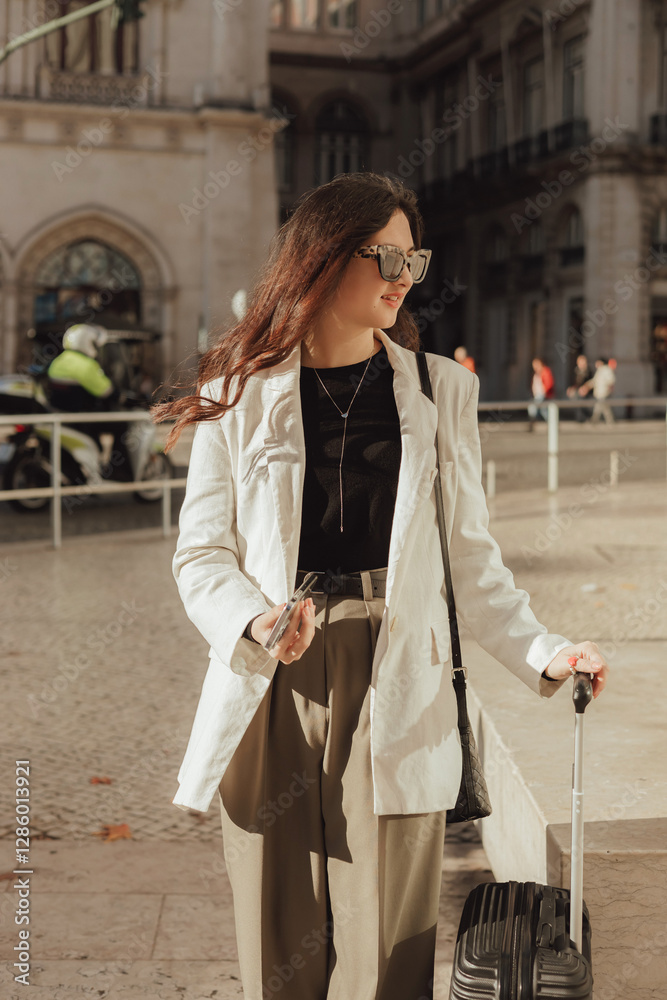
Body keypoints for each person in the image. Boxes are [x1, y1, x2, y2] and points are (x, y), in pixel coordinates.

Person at [153, 172, 608, 1000]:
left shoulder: (441, 390)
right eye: (387, 255)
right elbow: (201, 555)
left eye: (414, 257)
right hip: (274, 673)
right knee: (275, 930)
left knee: (388, 948)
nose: (405, 275)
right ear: (324, 260)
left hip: (398, 674)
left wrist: (546, 651)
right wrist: (254, 621)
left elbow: (468, 559)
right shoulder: (239, 394)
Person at [47, 323, 132, 479]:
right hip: (80, 418)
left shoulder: (58, 361)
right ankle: (119, 469)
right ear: (86, 343)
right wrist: (128, 399)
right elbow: (107, 392)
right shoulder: (86, 365)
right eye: (93, 344)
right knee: (121, 424)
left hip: (62, 415)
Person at [579, 356, 616, 425]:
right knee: (604, 408)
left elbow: (611, 380)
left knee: (600, 407)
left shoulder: (606, 370)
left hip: (603, 392)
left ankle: (594, 421)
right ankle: (608, 421)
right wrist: (586, 386)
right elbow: (594, 381)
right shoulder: (600, 370)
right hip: (599, 392)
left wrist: (608, 388)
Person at [527, 356, 554, 429]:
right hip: (537, 395)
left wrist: (544, 392)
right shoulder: (536, 373)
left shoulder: (545, 371)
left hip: (543, 395)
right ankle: (552, 424)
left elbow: (549, 384)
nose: (534, 366)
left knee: (534, 408)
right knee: (543, 410)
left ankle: (532, 424)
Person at [566, 353, 593, 423]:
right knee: (576, 401)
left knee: (581, 401)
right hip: (577, 390)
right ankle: (579, 418)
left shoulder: (588, 371)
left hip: (586, 392)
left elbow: (591, 382)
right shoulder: (575, 371)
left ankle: (584, 417)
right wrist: (571, 388)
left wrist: (586, 388)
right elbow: (572, 381)